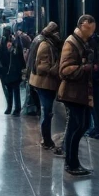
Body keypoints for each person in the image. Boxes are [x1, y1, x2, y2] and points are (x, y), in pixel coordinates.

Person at [58, 14, 97, 176]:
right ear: (82, 24)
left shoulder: (82, 42)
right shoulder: (71, 42)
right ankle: (71, 163)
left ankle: (72, 161)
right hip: (72, 93)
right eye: (90, 27)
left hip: (80, 92)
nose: (92, 31)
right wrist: (84, 68)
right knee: (78, 126)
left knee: (83, 125)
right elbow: (64, 70)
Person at [30, 22, 63, 153]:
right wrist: (57, 68)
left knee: (47, 111)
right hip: (43, 83)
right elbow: (42, 67)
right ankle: (46, 140)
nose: (58, 35)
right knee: (47, 111)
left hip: (45, 83)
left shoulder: (48, 43)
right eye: (57, 32)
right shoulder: (45, 45)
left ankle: (47, 139)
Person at [0, 26, 25, 115]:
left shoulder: (15, 41)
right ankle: (12, 108)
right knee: (11, 90)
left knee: (13, 90)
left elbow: (19, 54)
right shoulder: (6, 42)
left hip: (13, 69)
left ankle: (15, 108)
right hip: (9, 70)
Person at [19, 28, 40, 116]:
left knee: (31, 91)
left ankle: (31, 108)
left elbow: (27, 62)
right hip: (32, 73)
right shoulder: (33, 46)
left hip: (31, 73)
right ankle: (34, 108)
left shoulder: (28, 50)